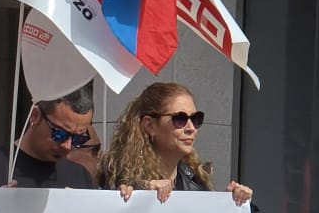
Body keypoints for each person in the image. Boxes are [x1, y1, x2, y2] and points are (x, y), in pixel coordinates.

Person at [98, 82, 254, 205]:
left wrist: (232, 204)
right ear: (149, 126)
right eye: (180, 119)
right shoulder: (116, 180)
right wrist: (140, 194)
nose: (191, 128)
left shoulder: (196, 182)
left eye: (196, 119)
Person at [0, 85, 98, 189]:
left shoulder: (80, 176)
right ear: (35, 116)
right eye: (59, 133)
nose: (67, 146)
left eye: (78, 138)